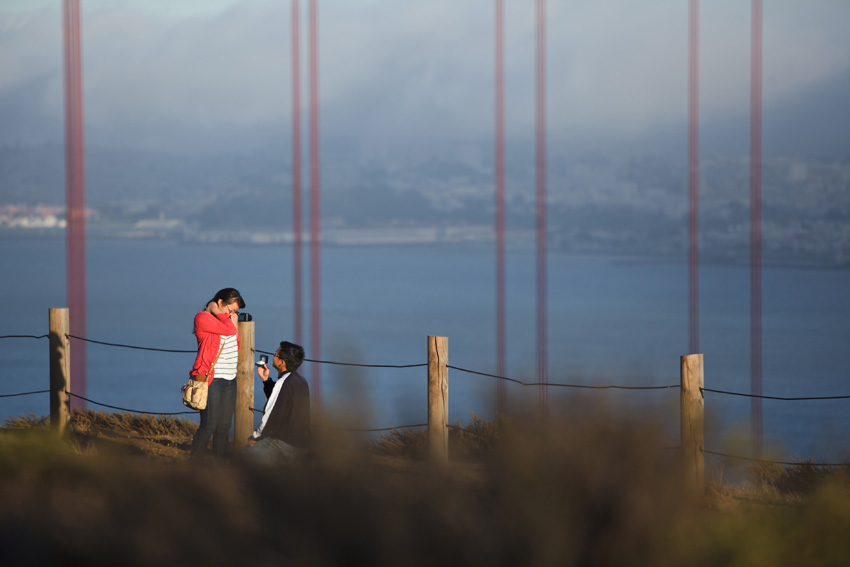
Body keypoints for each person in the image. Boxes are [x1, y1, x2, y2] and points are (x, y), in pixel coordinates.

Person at [189, 287, 246, 459]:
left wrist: (228, 318)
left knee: (224, 427)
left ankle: (218, 466)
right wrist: (220, 313)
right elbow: (230, 331)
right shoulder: (202, 318)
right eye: (230, 310)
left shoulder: (228, 321)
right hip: (212, 379)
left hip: (230, 379)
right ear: (220, 302)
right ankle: (195, 465)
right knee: (209, 425)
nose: (232, 315)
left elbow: (235, 345)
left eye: (234, 312)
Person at [243, 341, 312, 464]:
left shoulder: (283, 383)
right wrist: (266, 380)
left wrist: (256, 438)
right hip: (302, 444)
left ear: (282, 362)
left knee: (244, 456)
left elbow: (270, 417)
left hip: (286, 445)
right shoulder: (300, 380)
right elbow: (281, 400)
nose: (273, 357)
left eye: (275, 355)